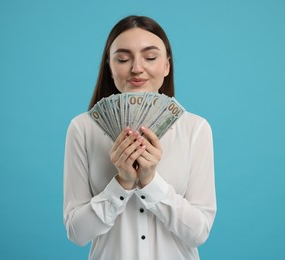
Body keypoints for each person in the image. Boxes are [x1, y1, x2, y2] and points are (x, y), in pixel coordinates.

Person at [63, 15, 217, 260]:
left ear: (167, 65)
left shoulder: (195, 129)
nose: (136, 68)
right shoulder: (83, 129)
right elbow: (77, 233)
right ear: (109, 67)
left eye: (150, 57)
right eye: (123, 59)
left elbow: (199, 233)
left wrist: (150, 182)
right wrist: (121, 184)